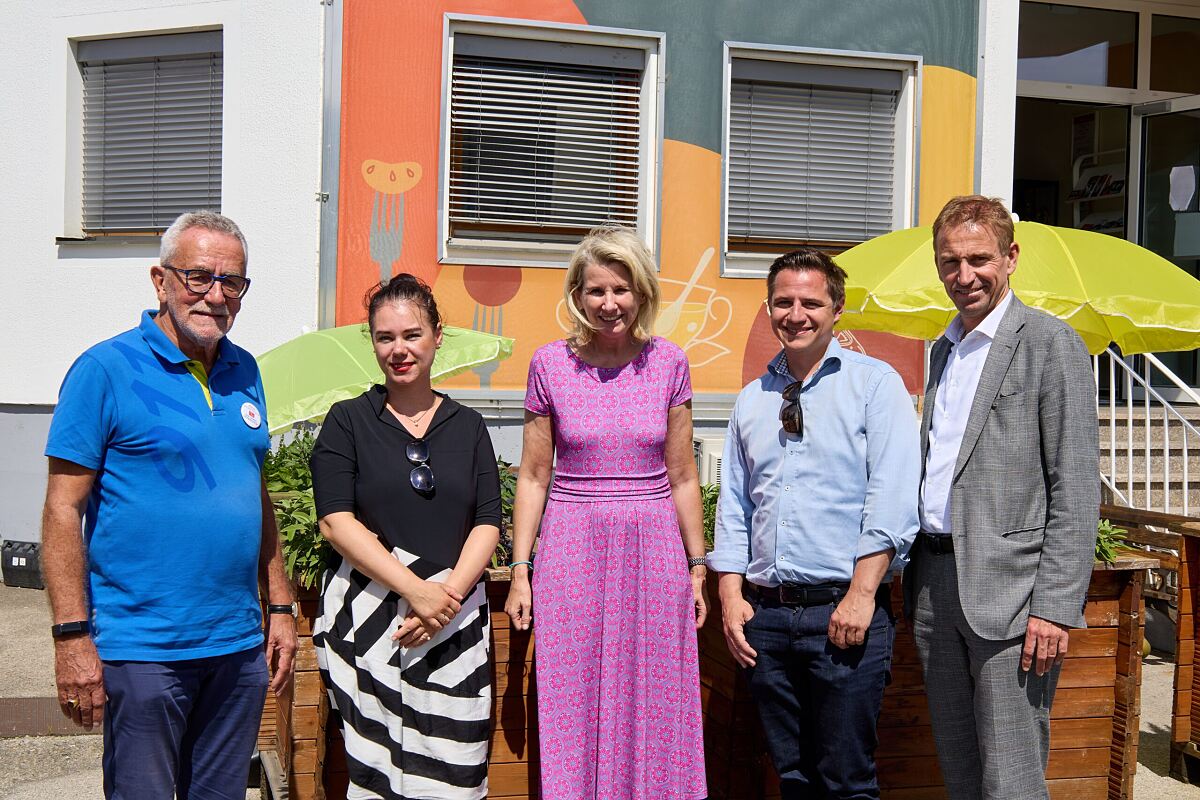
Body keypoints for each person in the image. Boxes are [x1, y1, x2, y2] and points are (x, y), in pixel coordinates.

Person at [41, 210, 298, 799]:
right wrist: (72, 637)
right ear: (160, 280)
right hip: (145, 649)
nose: (216, 295)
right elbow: (62, 510)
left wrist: (279, 605)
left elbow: (252, 492)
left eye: (232, 281)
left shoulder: (245, 370)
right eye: (198, 276)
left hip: (235, 647)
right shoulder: (104, 370)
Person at [903, 195, 1099, 800]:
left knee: (1011, 774)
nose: (964, 277)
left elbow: (1076, 486)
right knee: (959, 765)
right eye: (949, 262)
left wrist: (1056, 606)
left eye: (979, 259)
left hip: (1012, 598)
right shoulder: (944, 349)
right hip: (935, 584)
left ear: (1010, 258)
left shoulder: (1049, 343)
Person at [503, 225, 708, 799]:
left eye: (622, 289)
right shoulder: (549, 364)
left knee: (655, 693)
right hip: (571, 544)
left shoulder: (670, 363)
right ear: (578, 294)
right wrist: (521, 570)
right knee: (573, 692)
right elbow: (534, 476)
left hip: (654, 544)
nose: (610, 303)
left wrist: (697, 566)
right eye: (597, 291)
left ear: (641, 293)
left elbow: (684, 475)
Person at [710, 248, 920, 799]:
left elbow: (893, 497)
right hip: (768, 621)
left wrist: (862, 594)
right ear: (770, 307)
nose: (796, 314)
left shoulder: (876, 385)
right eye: (783, 302)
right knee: (794, 779)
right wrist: (732, 598)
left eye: (811, 302)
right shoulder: (753, 399)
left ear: (837, 308)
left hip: (842, 615)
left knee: (847, 781)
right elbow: (734, 505)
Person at [311, 274, 502, 799]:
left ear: (438, 335)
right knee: (378, 774)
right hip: (371, 620)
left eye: (412, 334)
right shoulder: (347, 421)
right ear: (371, 341)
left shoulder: (469, 427)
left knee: (456, 773)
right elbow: (335, 521)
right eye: (384, 337)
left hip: (456, 621)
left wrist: (445, 599)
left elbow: (488, 520)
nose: (399, 350)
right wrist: (415, 591)